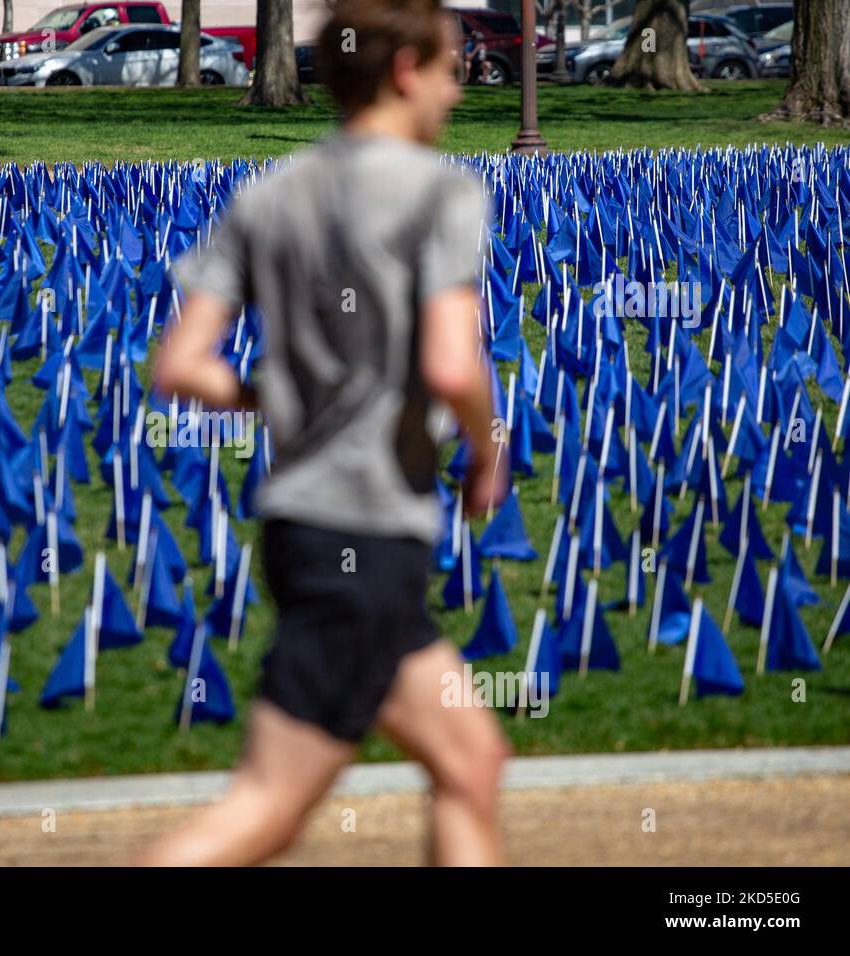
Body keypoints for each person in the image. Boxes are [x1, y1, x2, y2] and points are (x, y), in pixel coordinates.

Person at [135, 0, 509, 867]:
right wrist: (488, 454)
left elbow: (182, 365)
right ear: (407, 71)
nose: (457, 91)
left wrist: (284, 394)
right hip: (366, 531)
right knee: (267, 808)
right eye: (452, 69)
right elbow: (454, 367)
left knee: (473, 760)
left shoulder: (270, 194)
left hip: (310, 528)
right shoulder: (439, 192)